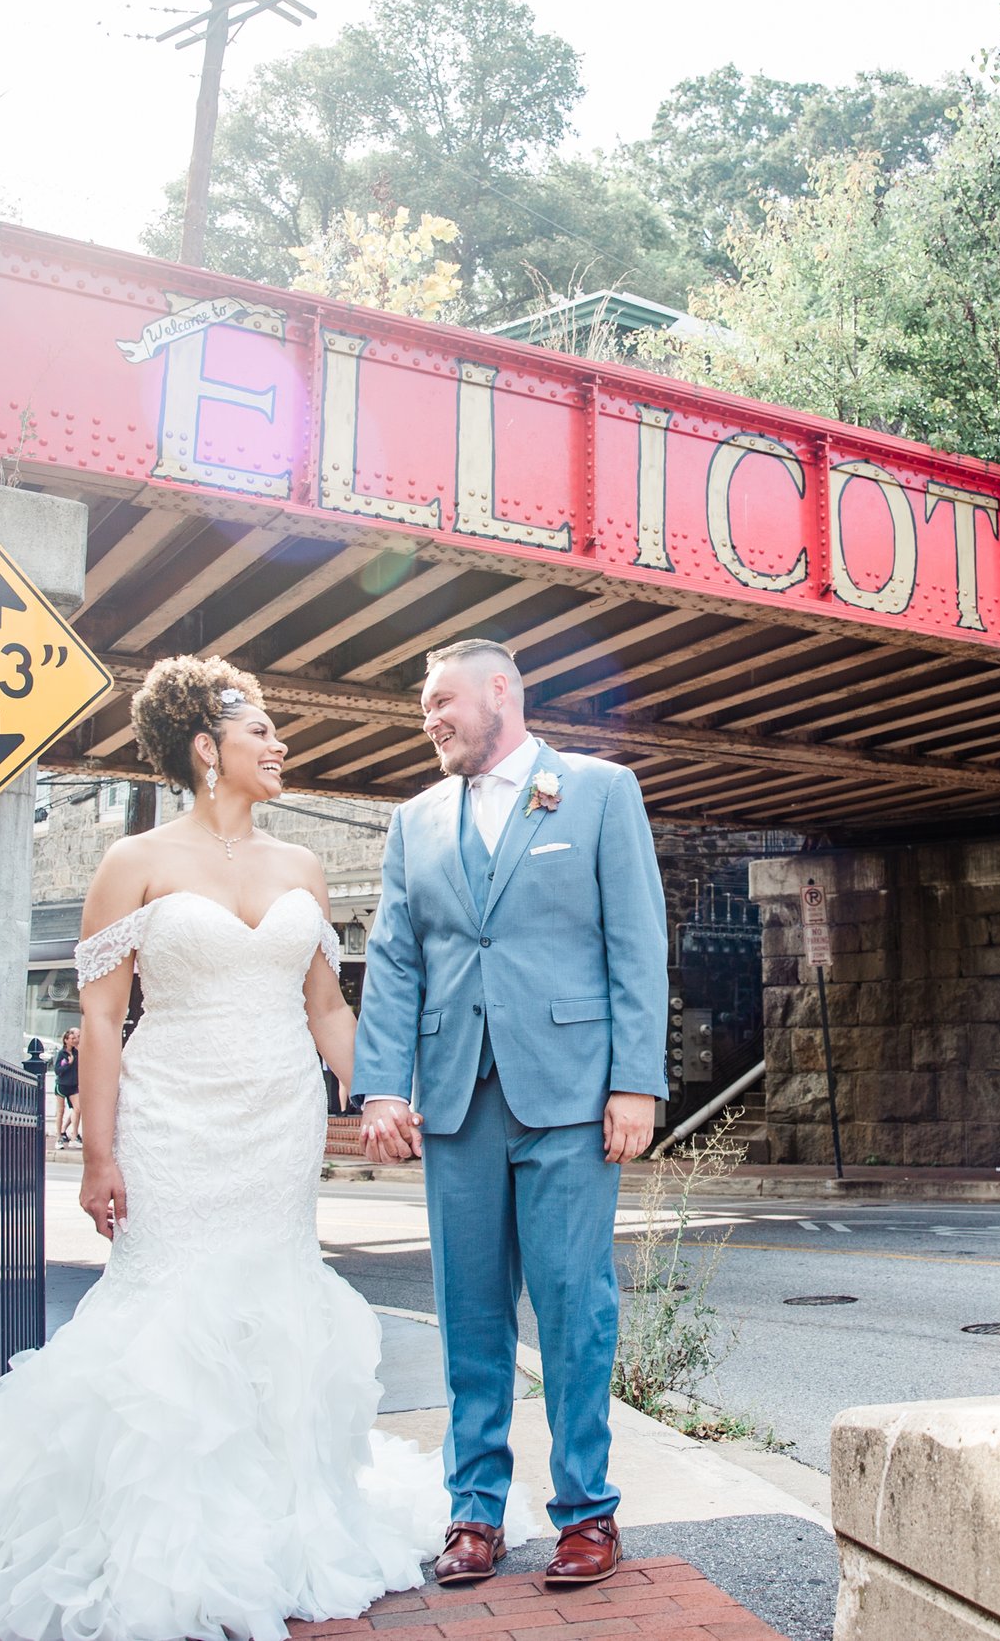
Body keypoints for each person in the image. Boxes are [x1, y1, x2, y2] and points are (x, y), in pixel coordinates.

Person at [0, 655, 455, 1641]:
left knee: (271, 1309)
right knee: (169, 1309)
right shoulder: (131, 864)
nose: (282, 746)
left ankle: (272, 1523)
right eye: (262, 730)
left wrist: (381, 1092)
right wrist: (99, 1153)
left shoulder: (302, 867)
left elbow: (323, 1007)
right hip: (170, 1114)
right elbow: (99, 1019)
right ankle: (155, 1538)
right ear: (205, 748)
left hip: (275, 1119)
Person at [353, 638, 669, 1589]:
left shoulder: (602, 793)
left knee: (576, 1308)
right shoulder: (413, 821)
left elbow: (636, 944)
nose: (430, 717)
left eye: (442, 699)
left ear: (502, 692)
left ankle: (586, 1513)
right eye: (423, 706)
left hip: (573, 1097)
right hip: (455, 1101)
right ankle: (474, 1513)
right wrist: (380, 1087)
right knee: (469, 1315)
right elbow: (396, 958)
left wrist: (636, 1081)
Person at [53, 1027, 82, 1148]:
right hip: (62, 1085)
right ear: (66, 1040)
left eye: (76, 1038)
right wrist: (68, 1064)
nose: (75, 1040)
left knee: (78, 1108)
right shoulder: (62, 1054)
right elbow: (58, 1070)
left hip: (73, 1085)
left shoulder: (76, 1052)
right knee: (61, 1111)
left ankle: (74, 1136)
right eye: (72, 1038)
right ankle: (59, 1137)